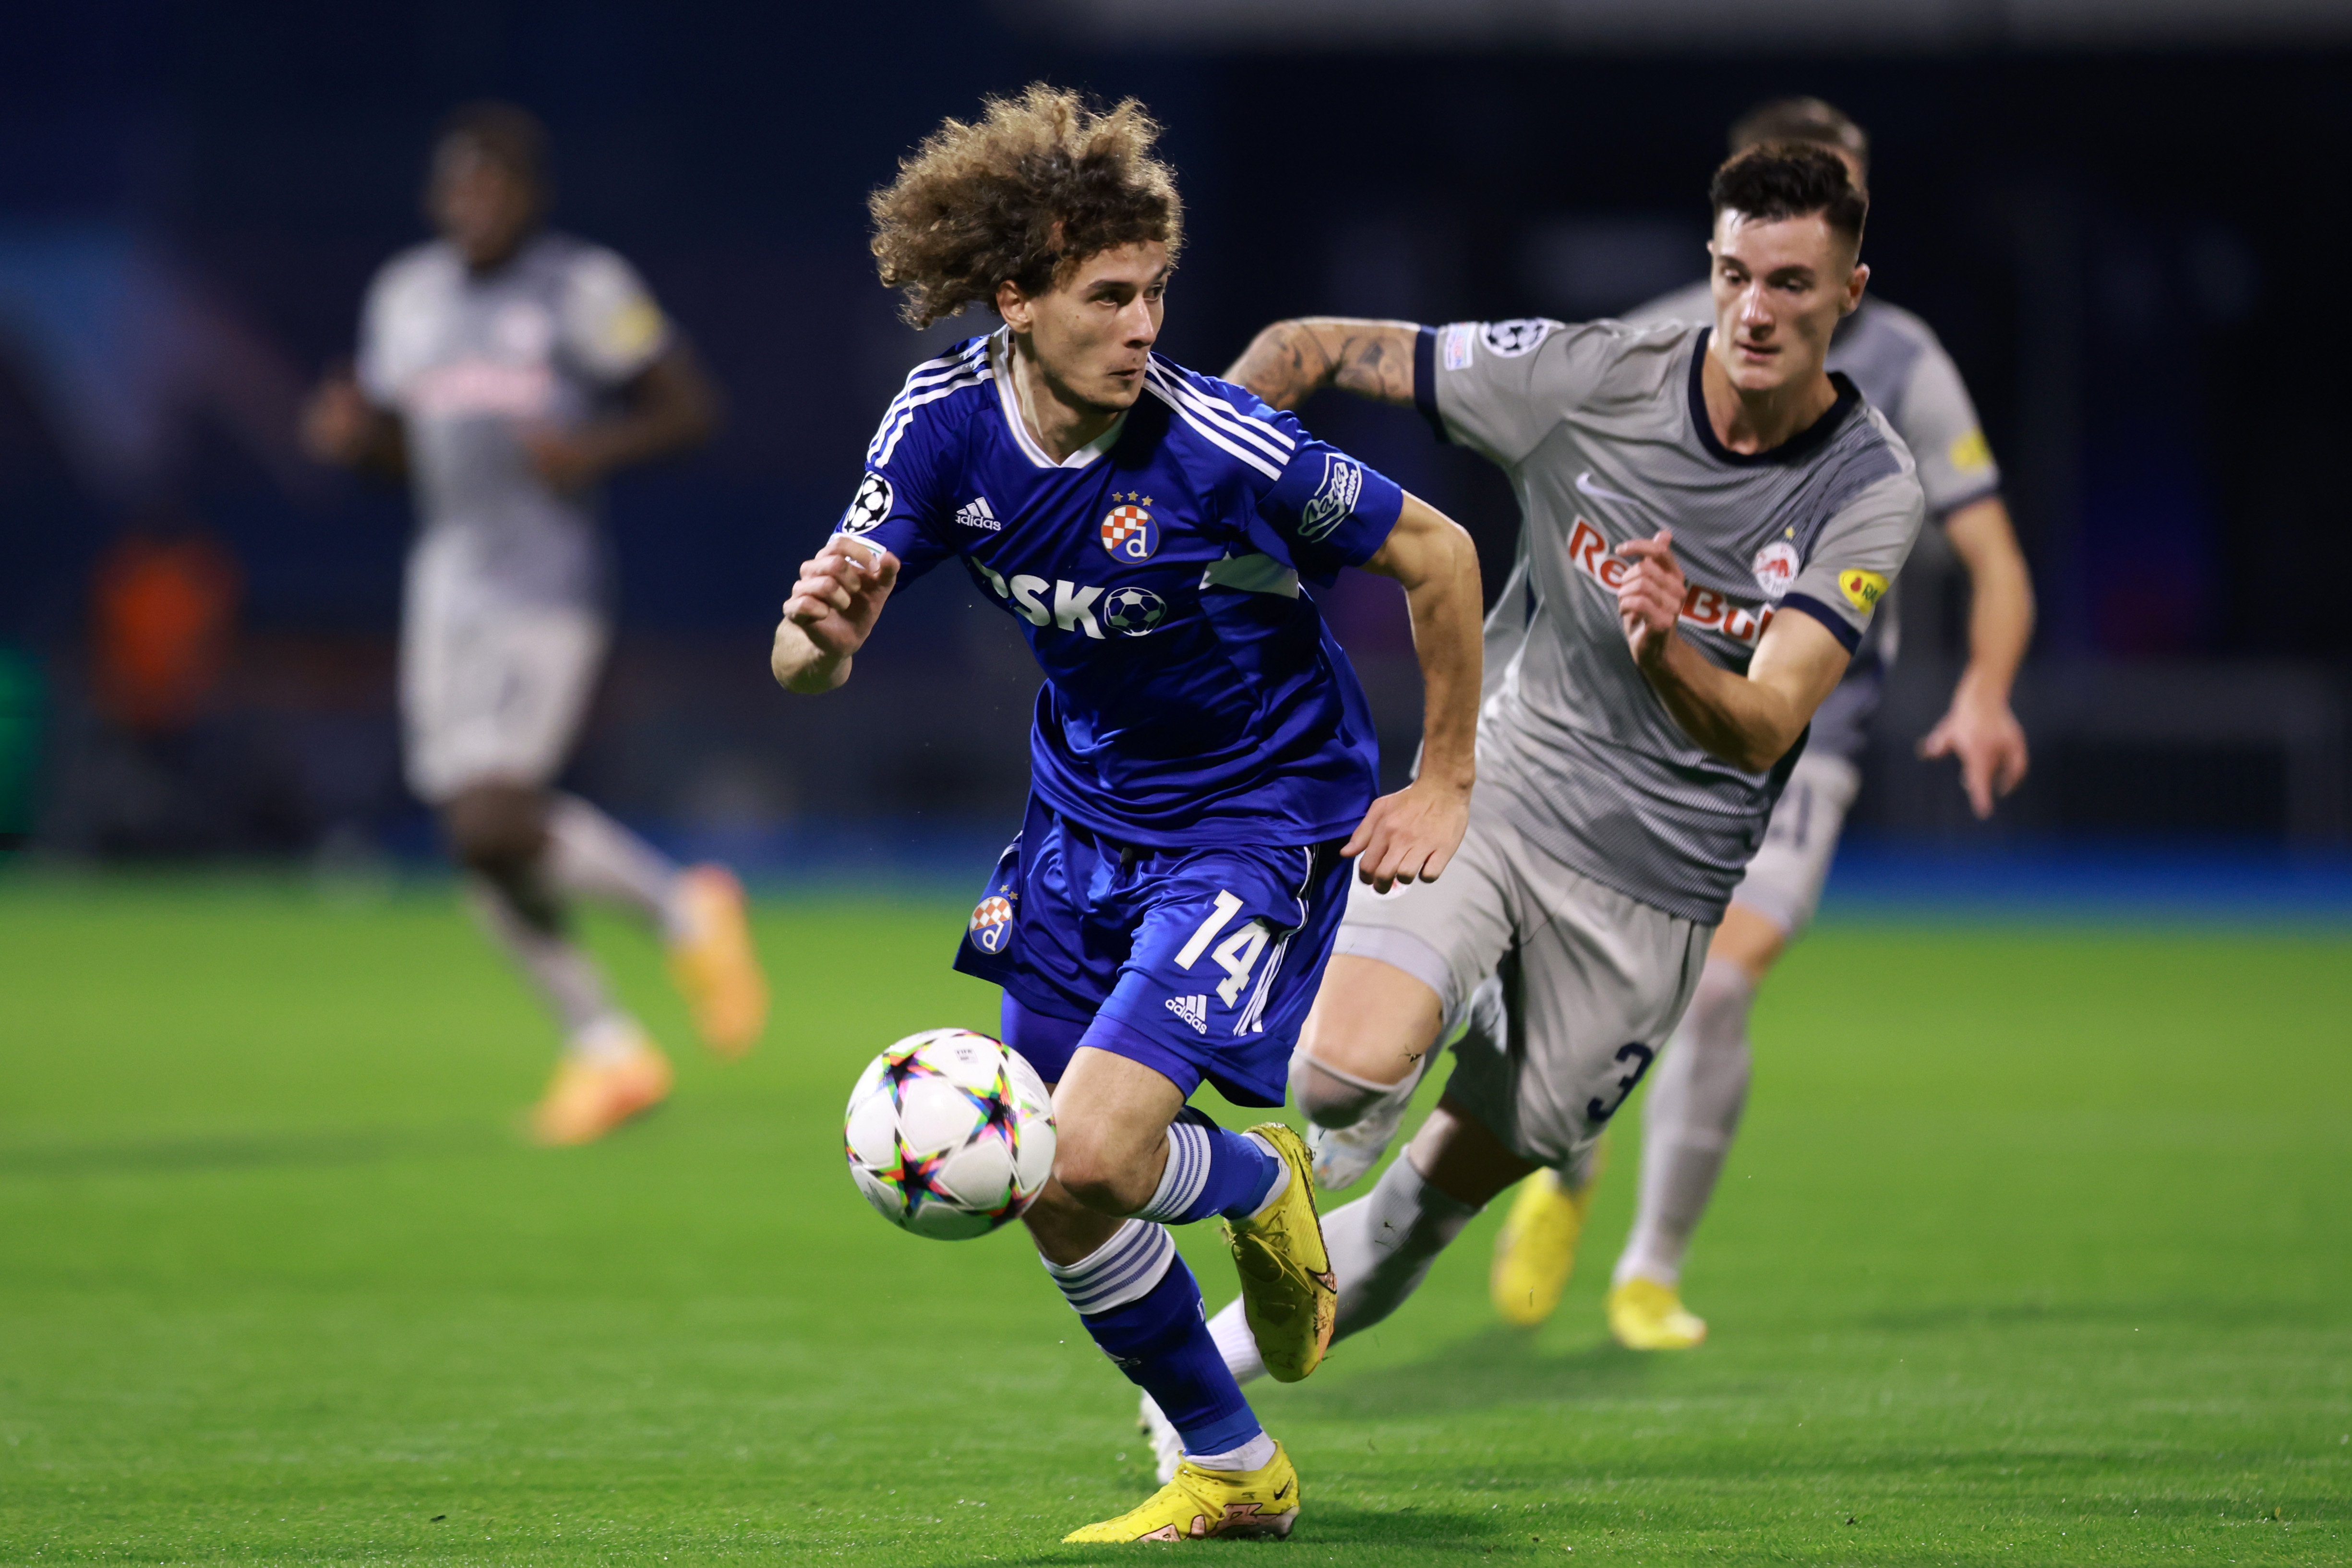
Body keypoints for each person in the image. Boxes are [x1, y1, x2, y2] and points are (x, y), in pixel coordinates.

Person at [1141, 142, 1927, 1479]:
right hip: (1501, 795)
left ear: (1847, 293)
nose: (1753, 309)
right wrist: (1187, 502)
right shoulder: (1590, 377)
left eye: (1790, 284)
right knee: (1340, 1072)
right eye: (1733, 273)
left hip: (1653, 898)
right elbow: (1307, 345)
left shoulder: (1867, 487)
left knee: (1419, 1218)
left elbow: (1763, 723)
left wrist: (1662, 649)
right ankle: (1250, 1280)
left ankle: (1220, 1345)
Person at [770, 86, 1483, 1544]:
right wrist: (821, 635)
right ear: (1015, 300)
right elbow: (802, 662)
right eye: (1109, 296)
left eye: (1156, 291)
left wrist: (1444, 778)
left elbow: (1442, 551)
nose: (1144, 325)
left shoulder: (1219, 445)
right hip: (1079, 819)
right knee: (1048, 1181)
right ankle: (1233, 1465)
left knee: (1089, 1150)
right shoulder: (941, 424)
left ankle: (1256, 1178)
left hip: (1254, 814)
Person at [1479, 96, 2036, 1351]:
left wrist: (1985, 687)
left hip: (1797, 734)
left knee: (1720, 983)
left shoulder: (1906, 364)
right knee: (1539, 966)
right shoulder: (1663, 338)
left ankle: (1649, 1272)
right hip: (1628, 718)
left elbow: (1993, 556)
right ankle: (1566, 1158)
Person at [301, 102, 768, 1145]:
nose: (475, 204)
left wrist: (591, 451)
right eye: (459, 187)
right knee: (476, 843)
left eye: (495, 186)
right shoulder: (406, 297)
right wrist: (353, 440)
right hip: (446, 587)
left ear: (531, 197)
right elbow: (401, 454)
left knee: (489, 818)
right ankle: (606, 1048)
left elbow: (689, 409)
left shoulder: (581, 286)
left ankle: (682, 909)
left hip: (544, 587)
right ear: (437, 198)